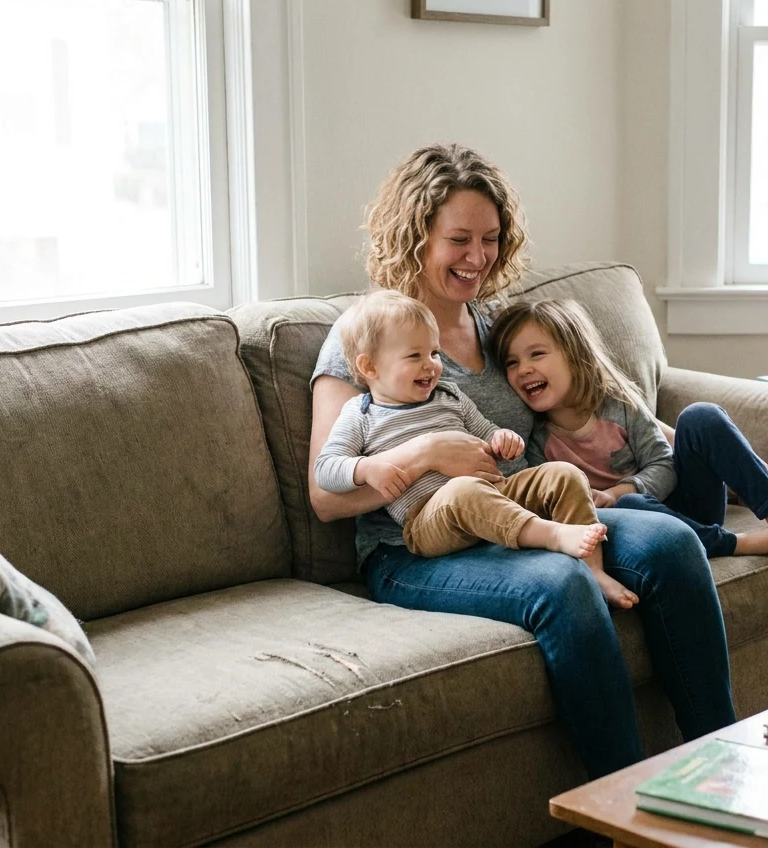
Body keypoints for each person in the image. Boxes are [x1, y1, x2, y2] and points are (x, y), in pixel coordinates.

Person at [308, 143, 736, 779]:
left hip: (524, 511)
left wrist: (677, 443)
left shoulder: (494, 326)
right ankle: (622, 806)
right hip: (416, 547)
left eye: (490, 238)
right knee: (561, 583)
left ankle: (721, 769)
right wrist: (425, 453)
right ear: (415, 237)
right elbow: (324, 497)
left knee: (672, 544)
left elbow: (574, 403)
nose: (478, 257)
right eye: (459, 239)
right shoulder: (366, 340)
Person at [313, 289, 636, 607]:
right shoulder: (360, 414)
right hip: (428, 521)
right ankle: (552, 535)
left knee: (563, 474)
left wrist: (503, 439)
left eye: (434, 353)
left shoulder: (450, 395)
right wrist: (365, 468)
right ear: (369, 367)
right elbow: (326, 468)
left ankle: (593, 569)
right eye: (415, 356)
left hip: (492, 494)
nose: (431, 365)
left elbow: (487, 433)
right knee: (463, 490)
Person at [490, 299, 768, 568]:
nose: (524, 369)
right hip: (639, 529)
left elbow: (664, 464)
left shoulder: (620, 404)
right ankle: (736, 544)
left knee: (701, 416)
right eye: (511, 363)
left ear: (575, 355)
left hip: (687, 504)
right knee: (630, 504)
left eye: (537, 354)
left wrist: (618, 490)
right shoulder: (535, 442)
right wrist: (614, 501)